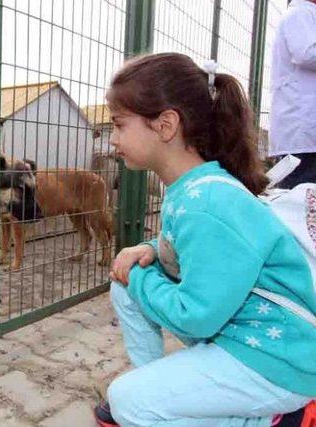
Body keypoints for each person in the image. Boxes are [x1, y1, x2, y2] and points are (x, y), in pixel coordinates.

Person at [93, 52, 316, 427]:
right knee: (124, 285)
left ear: (165, 125)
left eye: (119, 124)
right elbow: (193, 247)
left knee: (127, 403)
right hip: (246, 338)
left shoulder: (208, 201)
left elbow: (196, 317)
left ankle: (274, 421)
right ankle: (163, 390)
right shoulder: (194, 187)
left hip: (278, 362)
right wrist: (149, 249)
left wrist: (139, 277)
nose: (113, 138)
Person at [269, 0, 316, 188]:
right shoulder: (300, 14)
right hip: (302, 137)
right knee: (301, 201)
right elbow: (305, 53)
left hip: (305, 136)